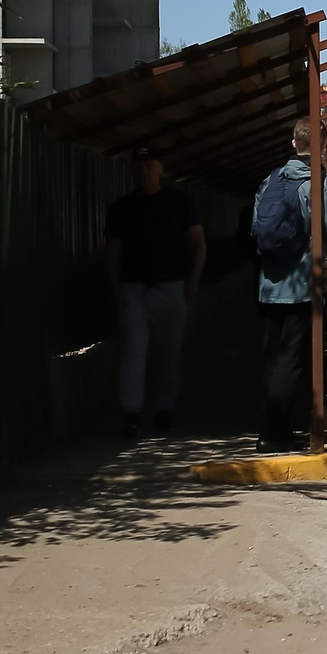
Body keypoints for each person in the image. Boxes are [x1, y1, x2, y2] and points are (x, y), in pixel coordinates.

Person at [251, 118, 327, 450]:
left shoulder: (269, 181)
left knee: (273, 358)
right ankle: (274, 431)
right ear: (322, 146)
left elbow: (255, 230)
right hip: (303, 284)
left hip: (268, 284)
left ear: (292, 143)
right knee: (295, 359)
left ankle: (274, 426)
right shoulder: (318, 182)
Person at [103, 144, 205, 438]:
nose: (145, 170)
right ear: (132, 170)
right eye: (140, 165)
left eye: (151, 165)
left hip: (172, 287)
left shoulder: (179, 203)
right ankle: (132, 412)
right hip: (133, 289)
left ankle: (164, 409)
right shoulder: (121, 208)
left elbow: (198, 244)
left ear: (161, 168)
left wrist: (193, 281)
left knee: (168, 352)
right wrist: (116, 290)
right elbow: (113, 252)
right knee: (134, 351)